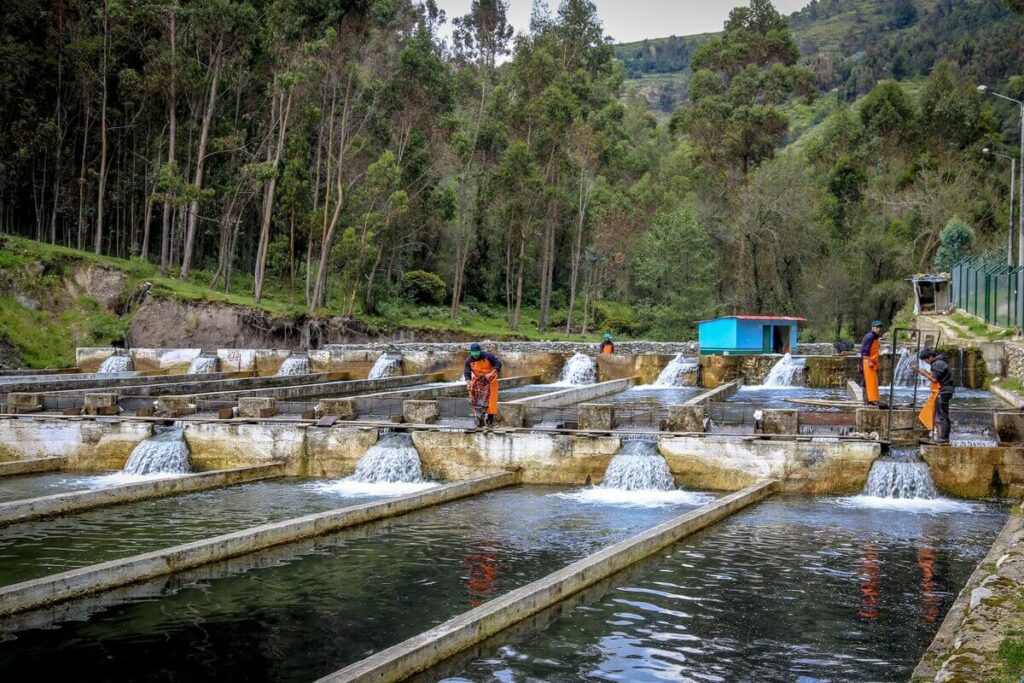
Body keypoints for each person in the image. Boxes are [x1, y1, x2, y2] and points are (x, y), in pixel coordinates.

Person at [917, 348, 954, 444]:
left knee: (942, 415)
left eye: (926, 360)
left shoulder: (937, 364)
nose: (926, 362)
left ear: (930, 357)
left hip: (943, 391)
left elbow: (933, 379)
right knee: (943, 414)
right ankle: (943, 437)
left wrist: (924, 373)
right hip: (947, 390)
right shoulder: (941, 362)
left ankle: (943, 438)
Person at [464, 342, 502, 428]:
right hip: (478, 380)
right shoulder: (468, 361)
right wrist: (468, 383)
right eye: (474, 355)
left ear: (480, 352)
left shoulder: (488, 356)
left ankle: (490, 421)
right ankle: (479, 419)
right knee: (476, 400)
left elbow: (498, 364)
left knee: (490, 401)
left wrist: (492, 373)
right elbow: (467, 373)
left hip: (490, 379)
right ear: (471, 353)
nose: (476, 356)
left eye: (477, 354)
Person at [859, 320, 884, 407]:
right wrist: (869, 362)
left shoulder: (875, 337)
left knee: (872, 382)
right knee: (865, 382)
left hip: (872, 362)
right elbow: (864, 352)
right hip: (866, 362)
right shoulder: (869, 336)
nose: (878, 329)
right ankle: (866, 401)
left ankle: (871, 400)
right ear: (872, 328)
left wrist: (875, 363)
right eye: (877, 327)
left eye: (879, 327)